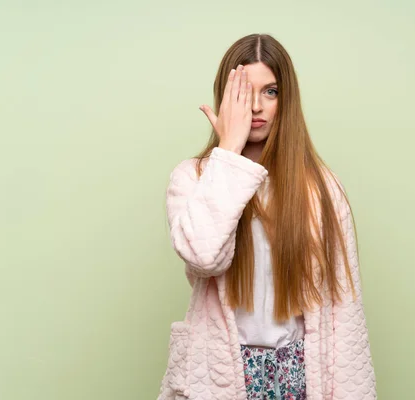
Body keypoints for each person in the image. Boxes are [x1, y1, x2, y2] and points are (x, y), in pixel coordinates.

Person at [157, 33, 377, 400]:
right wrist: (229, 150)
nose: (255, 106)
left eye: (270, 91)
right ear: (224, 98)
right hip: (220, 372)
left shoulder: (321, 188)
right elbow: (204, 257)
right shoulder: (193, 178)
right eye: (243, 92)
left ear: (286, 100)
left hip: (300, 374)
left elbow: (345, 313)